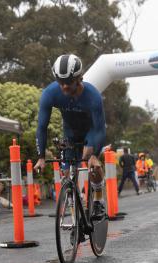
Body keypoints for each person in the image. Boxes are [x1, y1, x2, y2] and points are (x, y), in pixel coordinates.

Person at [34, 54, 107, 221]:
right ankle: (76, 221)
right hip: (70, 133)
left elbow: (99, 128)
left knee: (91, 162)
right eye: (61, 82)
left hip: (91, 132)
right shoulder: (50, 93)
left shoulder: (93, 96)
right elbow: (42, 127)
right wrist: (41, 157)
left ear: (79, 78)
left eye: (69, 82)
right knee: (66, 174)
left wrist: (95, 155)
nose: (65, 87)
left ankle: (98, 199)